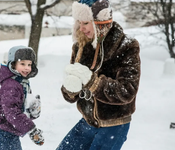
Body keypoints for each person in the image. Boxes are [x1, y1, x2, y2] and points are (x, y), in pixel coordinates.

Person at [57, 0, 141, 150]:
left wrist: (93, 82)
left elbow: (127, 91)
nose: (81, 28)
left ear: (100, 22)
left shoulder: (126, 46)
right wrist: (70, 90)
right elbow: (72, 94)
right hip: (88, 121)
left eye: (86, 23)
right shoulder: (80, 45)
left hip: (114, 125)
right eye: (79, 23)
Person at [0, 45, 44, 150]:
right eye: (22, 64)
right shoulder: (11, 85)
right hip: (3, 134)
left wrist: (32, 112)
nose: (27, 68)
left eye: (29, 64)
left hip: (11, 132)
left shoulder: (22, 83)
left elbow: (20, 110)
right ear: (13, 65)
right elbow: (12, 113)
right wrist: (31, 129)